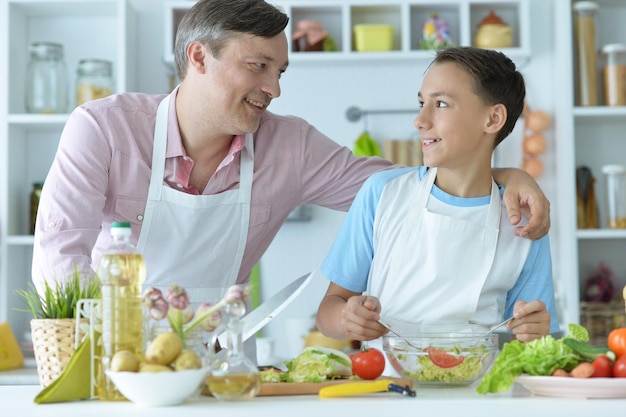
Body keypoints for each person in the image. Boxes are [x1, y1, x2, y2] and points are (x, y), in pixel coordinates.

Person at [32, 1, 548, 336]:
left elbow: (410, 187)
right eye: (258, 66)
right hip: (111, 356)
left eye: (280, 71)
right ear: (198, 57)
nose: (274, 89)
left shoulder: (288, 144)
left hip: (220, 363)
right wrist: (116, 353)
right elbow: (59, 263)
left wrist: (505, 175)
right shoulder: (102, 129)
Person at [315, 47, 559, 365]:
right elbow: (328, 311)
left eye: (441, 104)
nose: (420, 120)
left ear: (493, 118)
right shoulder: (382, 194)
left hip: (480, 396)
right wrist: (347, 318)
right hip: (385, 394)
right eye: (421, 103)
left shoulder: (523, 222)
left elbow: (538, 345)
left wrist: (535, 334)